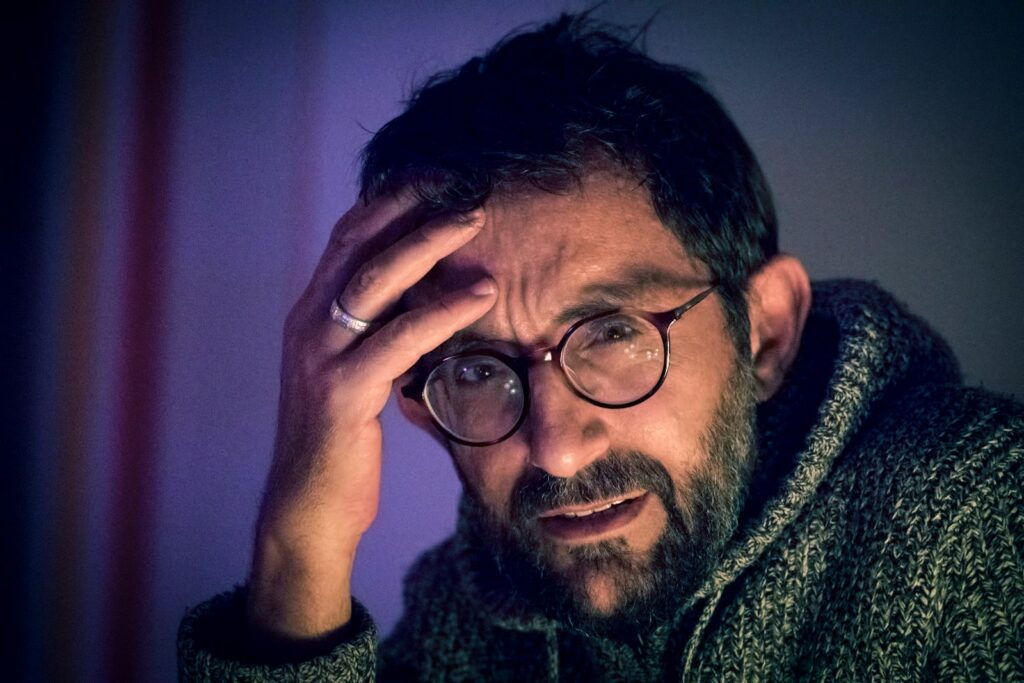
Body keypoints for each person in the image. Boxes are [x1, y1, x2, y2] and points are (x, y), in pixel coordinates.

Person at [178, 14, 1023, 681]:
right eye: (476, 367)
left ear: (764, 334)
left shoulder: (977, 519)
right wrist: (302, 540)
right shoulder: (467, 610)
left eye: (613, 333)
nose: (554, 444)